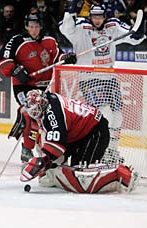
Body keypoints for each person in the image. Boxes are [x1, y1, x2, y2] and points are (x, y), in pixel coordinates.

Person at [59, 2, 146, 163]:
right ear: (90, 16)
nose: (97, 20)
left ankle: (112, 150)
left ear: (105, 17)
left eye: (100, 17)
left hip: (109, 76)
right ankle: (102, 150)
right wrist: (70, 13)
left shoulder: (113, 26)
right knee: (103, 111)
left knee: (118, 112)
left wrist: (139, 31)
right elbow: (65, 29)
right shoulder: (80, 27)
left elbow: (133, 38)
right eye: (94, 17)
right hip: (89, 77)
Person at [20, 89, 139, 194]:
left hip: (94, 132)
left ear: (42, 104)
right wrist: (48, 161)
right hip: (78, 133)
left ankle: (122, 174)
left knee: (81, 177)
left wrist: (45, 160)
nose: (33, 113)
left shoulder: (53, 113)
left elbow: (58, 142)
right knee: (60, 168)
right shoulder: (49, 100)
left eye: (35, 109)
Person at [0, 12, 77, 163]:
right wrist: (15, 70)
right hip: (24, 88)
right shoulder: (17, 41)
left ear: (41, 27)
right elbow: (2, 60)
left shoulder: (50, 41)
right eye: (31, 27)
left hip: (45, 88)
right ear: (26, 27)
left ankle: (46, 150)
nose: (34, 30)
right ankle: (26, 150)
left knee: (48, 119)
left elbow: (58, 56)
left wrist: (66, 58)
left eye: (37, 26)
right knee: (31, 115)